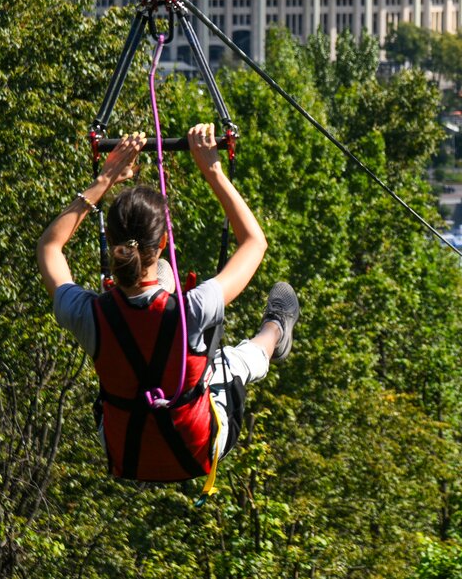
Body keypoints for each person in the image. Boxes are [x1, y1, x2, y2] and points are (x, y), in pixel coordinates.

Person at [37, 124, 300, 483]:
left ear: (112, 244)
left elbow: (50, 247)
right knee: (232, 362)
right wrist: (213, 169)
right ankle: (275, 330)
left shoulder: (88, 315)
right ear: (162, 243)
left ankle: (264, 329)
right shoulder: (194, 308)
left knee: (163, 293)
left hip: (125, 452)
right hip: (197, 448)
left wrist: (103, 181)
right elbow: (254, 242)